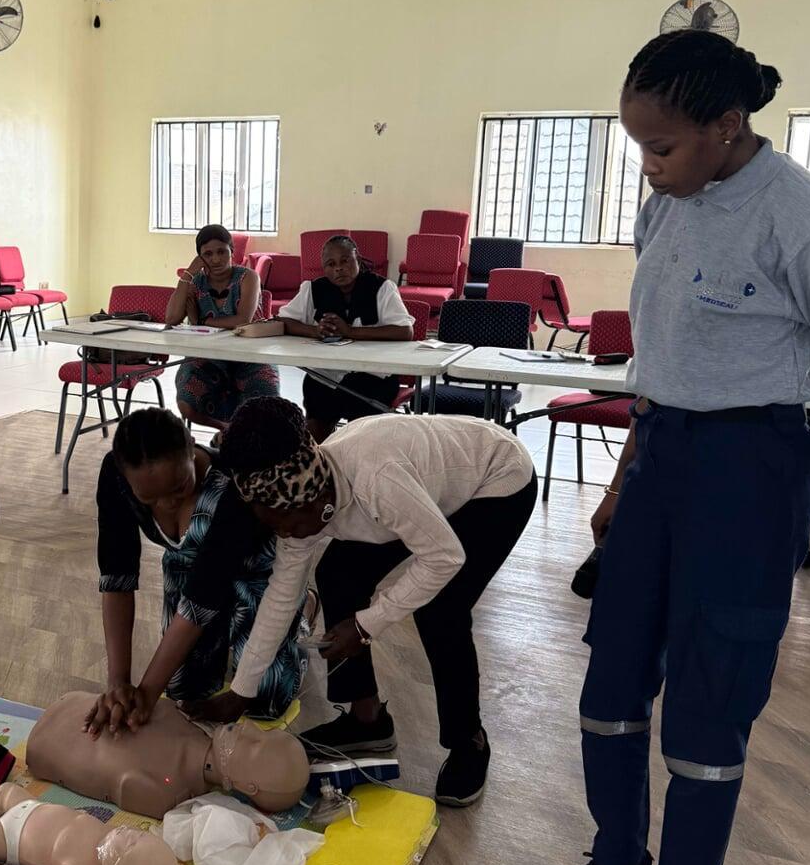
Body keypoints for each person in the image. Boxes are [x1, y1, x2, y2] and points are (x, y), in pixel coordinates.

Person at [531, 30, 810, 865]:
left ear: (728, 127)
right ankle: (618, 862)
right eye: (637, 149)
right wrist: (621, 482)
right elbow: (660, 359)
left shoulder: (797, 216)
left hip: (750, 468)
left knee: (708, 695)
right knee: (613, 676)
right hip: (658, 455)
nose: (648, 172)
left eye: (661, 149)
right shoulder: (670, 206)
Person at [195, 398, 537, 805]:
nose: (285, 535)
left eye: (287, 524)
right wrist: (243, 689)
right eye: (274, 525)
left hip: (496, 479)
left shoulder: (377, 480)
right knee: (337, 573)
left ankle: (469, 742)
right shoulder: (295, 507)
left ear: (316, 502)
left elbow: (445, 557)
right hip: (422, 487)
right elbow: (282, 596)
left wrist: (364, 626)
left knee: (442, 608)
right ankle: (367, 721)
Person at [88, 408, 308, 736]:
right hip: (189, 567)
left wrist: (146, 694)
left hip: (256, 567)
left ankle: (300, 619)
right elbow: (117, 578)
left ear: (192, 446)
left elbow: (204, 593)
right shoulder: (116, 476)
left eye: (179, 488)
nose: (165, 505)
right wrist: (118, 683)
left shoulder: (231, 487)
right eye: (149, 498)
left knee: (263, 700)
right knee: (184, 692)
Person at [278, 234, 413, 441]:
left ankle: (356, 460)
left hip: (373, 376)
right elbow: (284, 321)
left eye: (345, 261)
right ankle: (320, 462)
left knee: (359, 437)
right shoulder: (314, 289)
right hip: (326, 374)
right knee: (315, 424)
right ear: (324, 269)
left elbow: (404, 331)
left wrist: (350, 332)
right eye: (331, 264)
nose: (338, 268)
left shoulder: (382, 288)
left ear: (357, 260)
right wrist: (315, 331)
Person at [167, 223, 278, 427]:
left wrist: (201, 321)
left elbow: (242, 320)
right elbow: (171, 319)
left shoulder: (247, 277)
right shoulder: (196, 282)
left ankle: (247, 441)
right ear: (200, 258)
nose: (216, 259)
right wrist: (188, 274)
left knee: (267, 406)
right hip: (209, 357)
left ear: (232, 251)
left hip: (251, 357)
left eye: (221, 252)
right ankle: (227, 431)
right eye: (207, 254)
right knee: (186, 401)